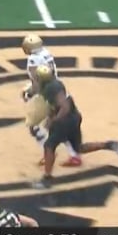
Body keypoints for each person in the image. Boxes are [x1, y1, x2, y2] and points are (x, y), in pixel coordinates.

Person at [30, 66, 118, 189]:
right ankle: (111, 145)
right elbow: (53, 105)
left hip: (65, 121)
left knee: (49, 145)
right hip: (72, 118)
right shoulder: (51, 85)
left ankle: (47, 179)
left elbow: (65, 107)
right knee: (78, 148)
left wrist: (54, 120)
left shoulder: (52, 88)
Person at [20, 34, 81, 167]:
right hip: (56, 88)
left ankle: (47, 152)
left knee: (33, 126)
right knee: (59, 127)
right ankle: (74, 155)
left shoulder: (33, 59)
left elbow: (37, 84)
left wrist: (28, 94)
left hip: (46, 94)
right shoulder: (45, 52)